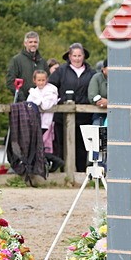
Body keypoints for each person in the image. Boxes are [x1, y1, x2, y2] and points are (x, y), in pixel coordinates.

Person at [50, 43, 95, 172]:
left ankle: (80, 174)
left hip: (84, 116)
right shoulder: (61, 71)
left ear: (84, 56)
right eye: (74, 56)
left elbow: (93, 92)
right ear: (69, 56)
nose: (77, 58)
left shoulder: (91, 73)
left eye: (79, 56)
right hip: (62, 117)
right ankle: (65, 174)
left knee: (82, 148)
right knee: (62, 146)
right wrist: (60, 100)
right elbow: (51, 88)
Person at [26, 68, 62, 172]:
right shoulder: (34, 91)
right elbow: (29, 104)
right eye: (39, 80)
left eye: (43, 80)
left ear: (47, 80)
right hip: (35, 122)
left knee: (43, 145)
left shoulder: (51, 91)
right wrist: (38, 99)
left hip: (47, 123)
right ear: (34, 80)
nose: (41, 82)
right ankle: (45, 164)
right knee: (35, 145)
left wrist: (37, 99)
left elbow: (46, 105)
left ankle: (54, 161)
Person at [6, 31, 47, 103]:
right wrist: (21, 97)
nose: (33, 44)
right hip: (23, 102)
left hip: (41, 102)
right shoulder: (17, 60)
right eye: (30, 42)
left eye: (35, 42)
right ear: (25, 43)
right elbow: (10, 82)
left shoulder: (42, 61)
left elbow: (48, 79)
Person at [88, 58, 109, 126]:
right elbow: (92, 96)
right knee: (96, 126)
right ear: (103, 69)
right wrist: (100, 101)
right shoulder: (97, 77)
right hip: (100, 112)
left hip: (118, 113)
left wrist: (109, 103)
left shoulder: (121, 78)